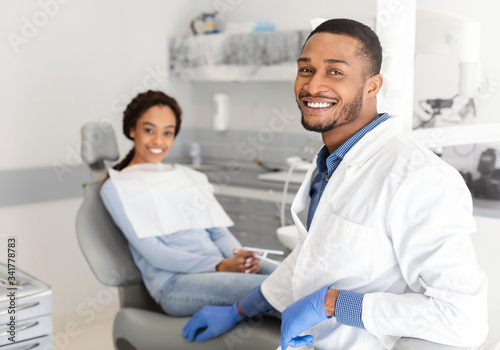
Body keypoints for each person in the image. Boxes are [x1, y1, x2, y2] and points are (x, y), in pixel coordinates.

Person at [182, 18, 488, 349]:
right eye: (306, 70)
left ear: (372, 86)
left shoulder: (419, 177)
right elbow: (311, 258)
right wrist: (239, 309)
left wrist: (331, 303)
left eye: (335, 72)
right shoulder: (330, 165)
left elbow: (463, 318)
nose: (313, 86)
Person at [100, 90, 275, 317]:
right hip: (176, 284)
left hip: (220, 269)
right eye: (149, 130)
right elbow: (154, 252)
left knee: (294, 279)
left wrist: (239, 258)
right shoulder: (117, 186)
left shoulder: (188, 177)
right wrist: (220, 265)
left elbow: (218, 233)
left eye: (168, 133)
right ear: (132, 130)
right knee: (273, 292)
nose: (158, 141)